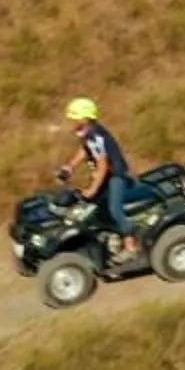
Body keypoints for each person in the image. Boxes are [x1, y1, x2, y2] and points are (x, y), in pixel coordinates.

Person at [59, 97, 138, 260]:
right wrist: (70, 166)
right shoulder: (87, 133)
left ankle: (131, 247)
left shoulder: (96, 135)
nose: (71, 121)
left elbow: (103, 164)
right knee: (94, 207)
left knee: (114, 209)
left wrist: (93, 189)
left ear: (84, 118)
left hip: (115, 175)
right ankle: (108, 237)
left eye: (74, 117)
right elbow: (84, 149)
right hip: (106, 175)